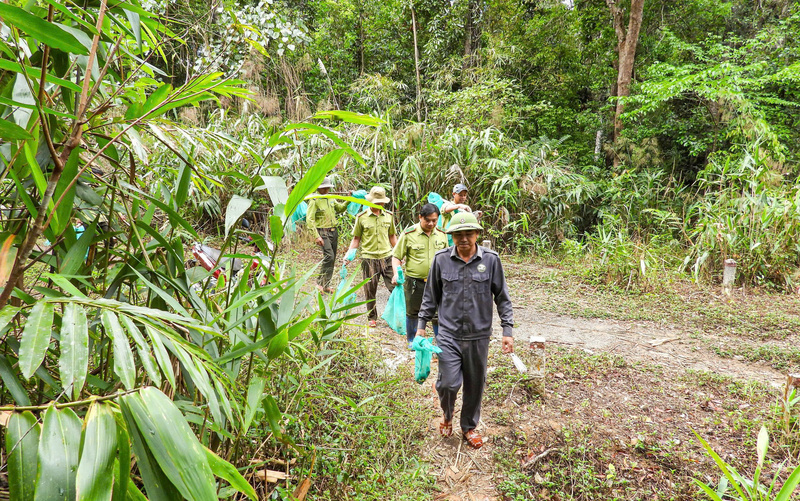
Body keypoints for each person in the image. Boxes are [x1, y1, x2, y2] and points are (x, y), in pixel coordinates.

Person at [416, 211, 514, 449]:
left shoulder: (491, 260)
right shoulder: (441, 260)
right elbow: (430, 297)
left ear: (477, 234)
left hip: (479, 336)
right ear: (451, 236)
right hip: (448, 334)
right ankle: (447, 415)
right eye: (457, 235)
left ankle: (468, 426)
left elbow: (502, 298)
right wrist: (420, 327)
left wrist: (507, 330)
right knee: (448, 383)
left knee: (474, 384)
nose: (463, 239)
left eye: (468, 234)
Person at [391, 203, 449, 349]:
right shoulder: (409, 234)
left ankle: (439, 342)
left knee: (437, 313)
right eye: (428, 220)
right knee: (413, 311)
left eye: (434, 220)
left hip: (437, 282)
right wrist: (396, 273)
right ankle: (411, 341)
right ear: (420, 217)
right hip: (414, 282)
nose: (431, 223)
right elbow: (396, 257)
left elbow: (448, 258)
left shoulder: (442, 234)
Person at [343, 186, 398, 328]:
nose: (377, 205)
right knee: (370, 289)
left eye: (380, 202)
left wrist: (399, 253)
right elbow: (356, 238)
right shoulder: (362, 217)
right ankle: (372, 317)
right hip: (369, 258)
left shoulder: (389, 216)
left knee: (395, 286)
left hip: (387, 257)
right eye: (375, 202)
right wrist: (349, 255)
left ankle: (396, 315)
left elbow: (392, 236)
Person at [306, 177, 349, 293]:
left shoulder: (330, 198)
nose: (326, 189)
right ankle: (319, 284)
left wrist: (348, 200)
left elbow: (340, 209)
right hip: (323, 232)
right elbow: (309, 220)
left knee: (332, 258)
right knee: (329, 256)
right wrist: (316, 236)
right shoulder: (314, 200)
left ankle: (326, 284)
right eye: (324, 188)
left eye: (327, 187)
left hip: (333, 231)